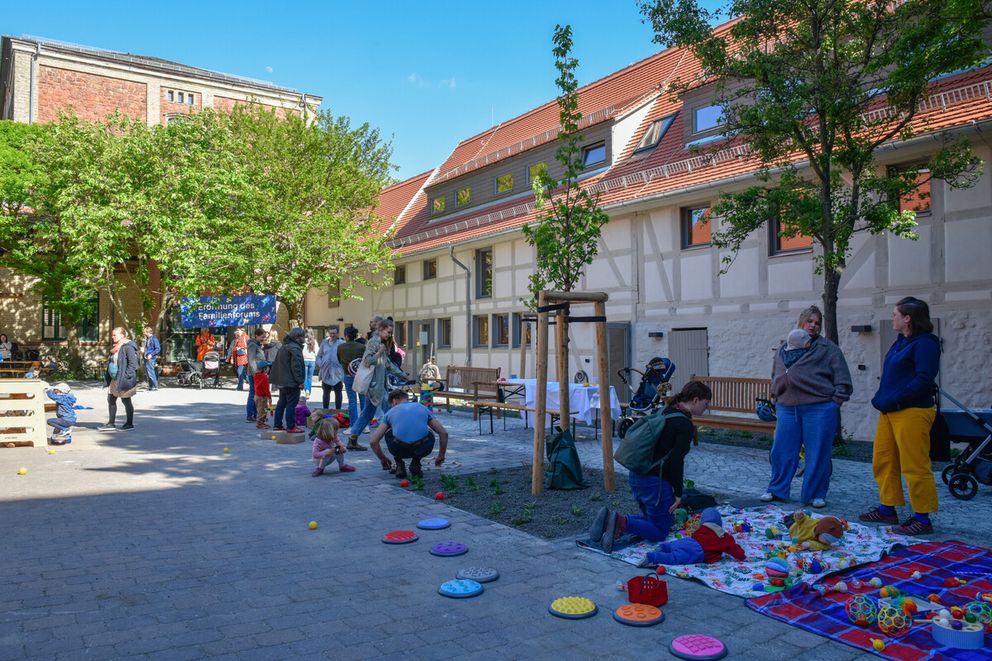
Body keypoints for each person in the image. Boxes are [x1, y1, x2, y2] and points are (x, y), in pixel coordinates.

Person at [589, 380, 713, 553]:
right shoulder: (684, 425)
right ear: (695, 400)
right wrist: (678, 494)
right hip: (655, 483)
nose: (705, 409)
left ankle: (610, 520)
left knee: (651, 520)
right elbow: (676, 462)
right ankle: (619, 520)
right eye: (705, 404)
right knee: (660, 531)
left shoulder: (666, 410)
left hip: (637, 476)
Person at [859, 297, 941, 536]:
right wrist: (882, 397)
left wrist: (895, 399)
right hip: (890, 412)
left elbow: (924, 380)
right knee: (884, 459)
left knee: (915, 465)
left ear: (908, 318)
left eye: (896, 314)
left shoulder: (926, 344)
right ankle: (887, 508)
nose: (892, 317)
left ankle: (922, 518)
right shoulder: (901, 341)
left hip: (912, 411)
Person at [761, 305, 853, 509]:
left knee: (818, 452)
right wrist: (775, 395)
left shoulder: (827, 349)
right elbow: (775, 373)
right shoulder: (784, 347)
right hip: (787, 407)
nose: (813, 325)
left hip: (818, 408)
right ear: (801, 322)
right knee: (781, 451)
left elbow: (843, 379)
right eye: (810, 321)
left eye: (817, 323)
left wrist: (834, 403)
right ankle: (777, 490)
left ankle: (815, 494)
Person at [346, 320, 410, 451]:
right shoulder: (374, 342)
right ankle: (399, 438)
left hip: (378, 385)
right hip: (375, 386)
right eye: (388, 332)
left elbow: (387, 364)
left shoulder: (381, 343)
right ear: (380, 330)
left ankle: (352, 439)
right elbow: (368, 361)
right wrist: (379, 352)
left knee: (368, 414)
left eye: (391, 333)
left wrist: (401, 374)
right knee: (390, 412)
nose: (390, 335)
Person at [368, 389, 448, 479]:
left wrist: (383, 459)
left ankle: (399, 463)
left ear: (394, 401)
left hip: (399, 449)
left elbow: (373, 441)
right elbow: (443, 433)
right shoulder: (422, 407)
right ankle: (416, 462)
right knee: (429, 432)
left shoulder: (390, 412)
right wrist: (441, 455)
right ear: (406, 398)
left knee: (389, 432)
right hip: (422, 448)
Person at [100, 326, 139, 431]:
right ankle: (111, 423)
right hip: (114, 378)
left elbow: (133, 364)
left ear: (122, 335)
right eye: (112, 335)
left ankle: (129, 423)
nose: (112, 337)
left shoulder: (128, 347)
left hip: (124, 378)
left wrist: (127, 375)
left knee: (126, 400)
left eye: (114, 335)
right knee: (111, 399)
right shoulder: (116, 347)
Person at [269, 327, 306, 433]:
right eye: (303, 336)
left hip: (282, 381)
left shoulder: (284, 346)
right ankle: (291, 426)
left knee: (282, 402)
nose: (304, 338)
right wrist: (300, 381)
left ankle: (277, 425)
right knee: (291, 404)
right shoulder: (295, 348)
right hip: (291, 381)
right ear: (298, 337)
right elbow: (297, 366)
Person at [338, 327, 366, 429]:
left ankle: (354, 425)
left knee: (352, 401)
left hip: (348, 375)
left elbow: (339, 360)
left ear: (346, 336)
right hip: (361, 375)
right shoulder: (362, 347)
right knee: (363, 399)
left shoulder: (341, 347)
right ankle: (364, 425)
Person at [316, 326, 344, 410]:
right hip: (326, 371)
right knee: (326, 392)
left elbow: (345, 357)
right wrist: (320, 364)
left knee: (338, 392)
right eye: (331, 333)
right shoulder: (324, 343)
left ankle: (338, 411)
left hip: (337, 372)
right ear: (328, 333)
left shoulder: (341, 343)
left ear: (337, 333)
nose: (332, 335)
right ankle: (325, 410)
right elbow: (319, 356)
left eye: (334, 333)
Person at [245, 329, 268, 423]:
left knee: (257, 394)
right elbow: (251, 361)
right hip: (254, 374)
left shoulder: (258, 345)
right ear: (256, 336)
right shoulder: (252, 345)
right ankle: (250, 414)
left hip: (259, 373)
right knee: (253, 393)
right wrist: (255, 374)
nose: (263, 339)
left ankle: (256, 414)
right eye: (262, 337)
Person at [254, 360, 272, 429]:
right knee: (263, 410)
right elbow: (266, 389)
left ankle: (262, 421)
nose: (269, 368)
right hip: (262, 397)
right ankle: (260, 423)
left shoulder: (256, 375)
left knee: (260, 409)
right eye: (267, 367)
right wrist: (269, 397)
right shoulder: (264, 377)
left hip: (257, 395)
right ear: (264, 369)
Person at [141, 326, 161, 391]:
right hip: (146, 357)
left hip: (151, 358)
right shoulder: (148, 339)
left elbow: (158, 348)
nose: (143, 333)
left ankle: (155, 386)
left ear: (147, 332)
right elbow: (149, 348)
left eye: (144, 332)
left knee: (151, 372)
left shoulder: (154, 339)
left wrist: (151, 354)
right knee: (148, 372)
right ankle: (151, 386)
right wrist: (144, 351)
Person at [302, 332, 318, 398]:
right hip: (312, 361)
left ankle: (307, 390)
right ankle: (309, 391)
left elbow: (301, 352)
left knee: (305, 377)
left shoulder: (303, 342)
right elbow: (317, 352)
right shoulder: (314, 342)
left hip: (305, 360)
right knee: (310, 377)